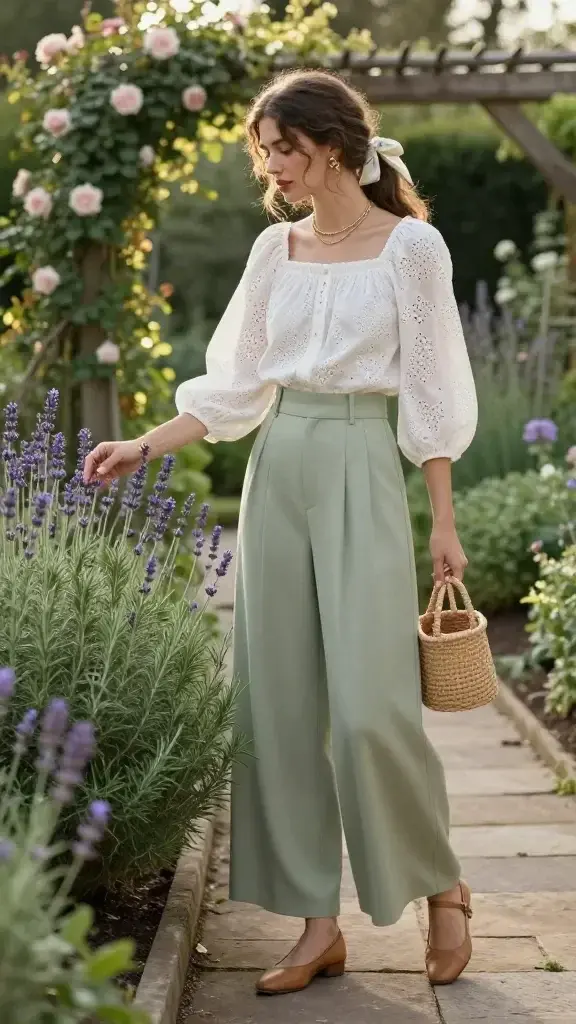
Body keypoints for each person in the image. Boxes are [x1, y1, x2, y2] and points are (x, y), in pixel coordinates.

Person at [84, 69, 478, 995]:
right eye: (263, 150)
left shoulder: (412, 249)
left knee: (372, 710)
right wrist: (146, 442)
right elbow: (236, 386)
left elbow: (429, 389)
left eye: (281, 148)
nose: (271, 167)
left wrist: (444, 523)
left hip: (360, 468)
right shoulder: (274, 251)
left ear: (331, 144)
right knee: (282, 707)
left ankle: (442, 885)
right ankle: (315, 925)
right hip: (279, 468)